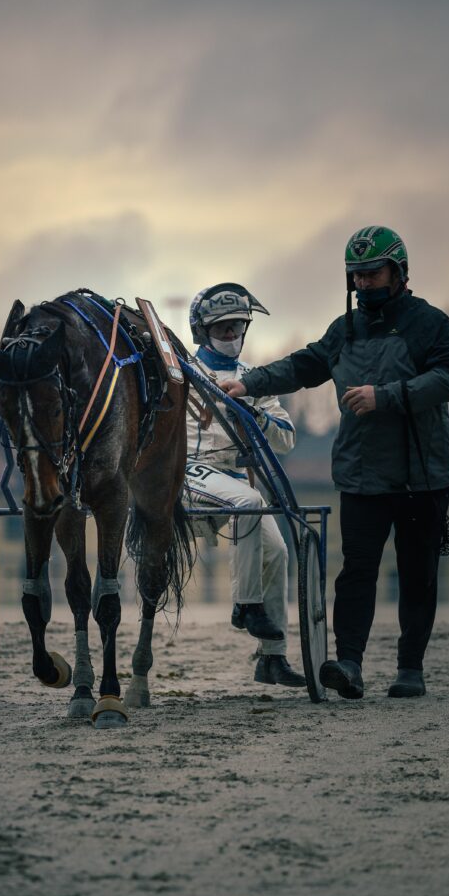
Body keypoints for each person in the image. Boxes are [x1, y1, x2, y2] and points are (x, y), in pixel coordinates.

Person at [221, 227, 449, 699]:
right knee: (356, 573)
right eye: (356, 276)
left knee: (418, 574)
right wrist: (250, 384)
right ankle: (349, 665)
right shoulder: (345, 329)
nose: (364, 284)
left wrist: (386, 396)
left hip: (423, 476)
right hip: (361, 475)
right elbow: (304, 365)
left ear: (399, 272)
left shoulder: (431, 324)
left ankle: (409, 668)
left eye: (373, 274)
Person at [185, 282, 306, 688]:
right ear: (202, 332)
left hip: (238, 480)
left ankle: (272, 658)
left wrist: (253, 410)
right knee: (250, 501)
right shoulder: (181, 374)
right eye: (223, 329)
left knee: (280, 552)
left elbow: (286, 439)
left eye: (238, 327)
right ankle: (245, 604)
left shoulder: (253, 379)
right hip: (188, 471)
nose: (232, 336)